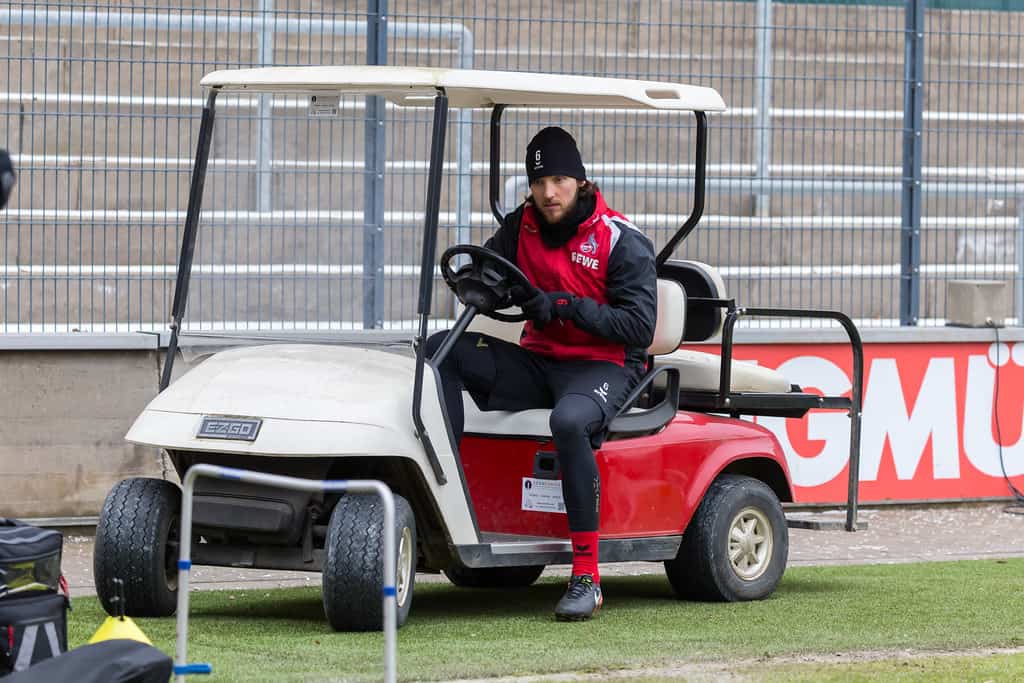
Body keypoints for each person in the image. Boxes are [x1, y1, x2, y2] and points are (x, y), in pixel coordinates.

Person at [426, 126, 657, 621]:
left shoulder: (621, 240)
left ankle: (586, 577)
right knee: (440, 351)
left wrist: (566, 307)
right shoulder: (521, 225)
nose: (548, 193)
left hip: (605, 365)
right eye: (538, 182)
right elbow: (493, 273)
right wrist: (492, 287)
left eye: (557, 180)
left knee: (570, 423)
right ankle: (449, 502)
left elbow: (639, 326)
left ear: (579, 180)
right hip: (539, 361)